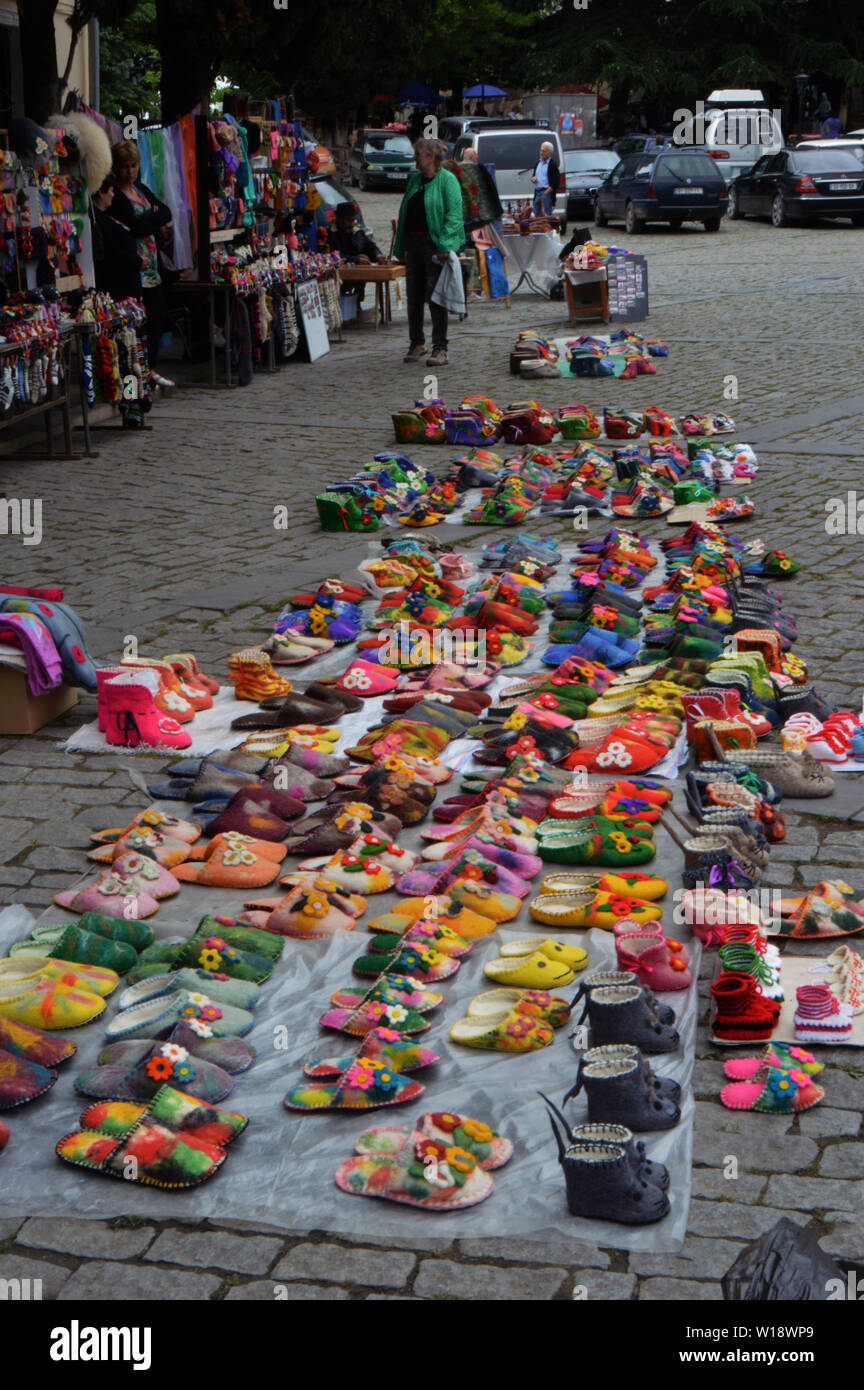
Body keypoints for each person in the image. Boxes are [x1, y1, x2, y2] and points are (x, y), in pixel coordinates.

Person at [393, 136, 465, 368]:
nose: (414, 158)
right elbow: (404, 213)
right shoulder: (415, 180)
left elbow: (454, 216)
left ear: (430, 157)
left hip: (434, 246)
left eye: (417, 154)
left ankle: (440, 347)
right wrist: (401, 246)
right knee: (413, 296)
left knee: (436, 298)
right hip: (414, 245)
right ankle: (417, 343)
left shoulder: (447, 181)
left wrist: (445, 245)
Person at [109, 139, 174, 389]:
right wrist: (152, 222)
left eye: (134, 165)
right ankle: (133, 380)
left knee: (157, 319)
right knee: (136, 326)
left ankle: (151, 369)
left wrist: (148, 221)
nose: (130, 171)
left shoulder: (142, 190)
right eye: (125, 166)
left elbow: (166, 212)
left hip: (152, 269)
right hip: (133, 269)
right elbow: (135, 226)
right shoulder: (115, 195)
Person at [91, 174, 142, 301]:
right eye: (111, 191)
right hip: (117, 287)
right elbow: (112, 250)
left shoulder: (104, 217)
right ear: (101, 193)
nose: (113, 195)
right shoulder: (98, 220)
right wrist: (138, 261)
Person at [330, 202, 384, 310]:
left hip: (357, 267)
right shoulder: (332, 233)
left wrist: (377, 254)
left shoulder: (356, 230)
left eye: (352, 220)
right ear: (340, 219)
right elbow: (336, 256)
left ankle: (357, 301)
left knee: (365, 260)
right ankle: (349, 305)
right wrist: (356, 259)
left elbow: (369, 245)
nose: (351, 223)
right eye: (348, 220)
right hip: (341, 269)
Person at [531, 140, 560, 216]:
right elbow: (534, 175)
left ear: (549, 153)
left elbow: (556, 182)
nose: (541, 153)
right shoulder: (538, 163)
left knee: (546, 216)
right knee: (536, 215)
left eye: (544, 151)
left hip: (546, 193)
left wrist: (546, 192)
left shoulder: (552, 165)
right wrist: (533, 178)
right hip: (537, 192)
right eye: (540, 150)